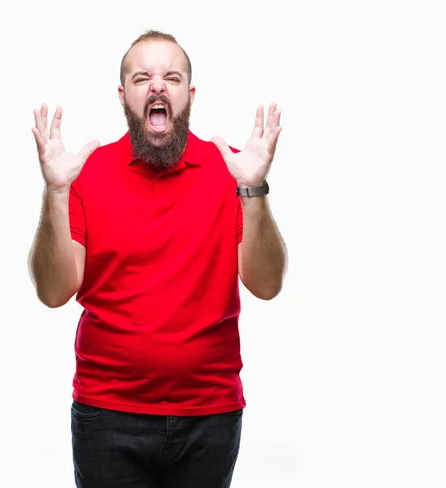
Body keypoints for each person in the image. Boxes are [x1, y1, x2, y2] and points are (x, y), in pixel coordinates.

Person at [27, 30, 287, 488]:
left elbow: (266, 284)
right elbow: (52, 292)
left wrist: (253, 190)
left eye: (171, 76)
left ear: (189, 93)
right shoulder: (86, 175)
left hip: (210, 414)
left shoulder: (230, 171)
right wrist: (56, 192)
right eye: (142, 76)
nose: (157, 86)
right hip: (107, 415)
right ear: (123, 94)